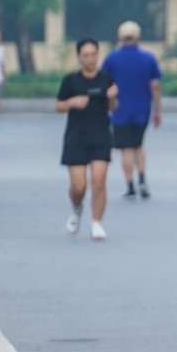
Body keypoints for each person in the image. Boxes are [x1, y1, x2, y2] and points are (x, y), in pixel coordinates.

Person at [55, 38, 118, 241]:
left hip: (100, 136)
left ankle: (97, 223)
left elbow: (113, 108)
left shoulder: (106, 79)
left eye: (93, 55)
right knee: (79, 186)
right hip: (76, 137)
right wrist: (72, 102)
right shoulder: (71, 81)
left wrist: (112, 97)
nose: (90, 59)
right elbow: (58, 106)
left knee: (98, 182)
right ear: (79, 57)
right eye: (86, 55)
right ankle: (76, 207)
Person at [101, 20, 162, 198]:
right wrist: (157, 109)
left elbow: (105, 85)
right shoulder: (148, 58)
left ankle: (130, 186)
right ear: (138, 36)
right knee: (139, 146)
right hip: (142, 109)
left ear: (120, 37)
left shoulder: (112, 59)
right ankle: (142, 178)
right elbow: (155, 85)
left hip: (119, 110)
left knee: (125, 149)